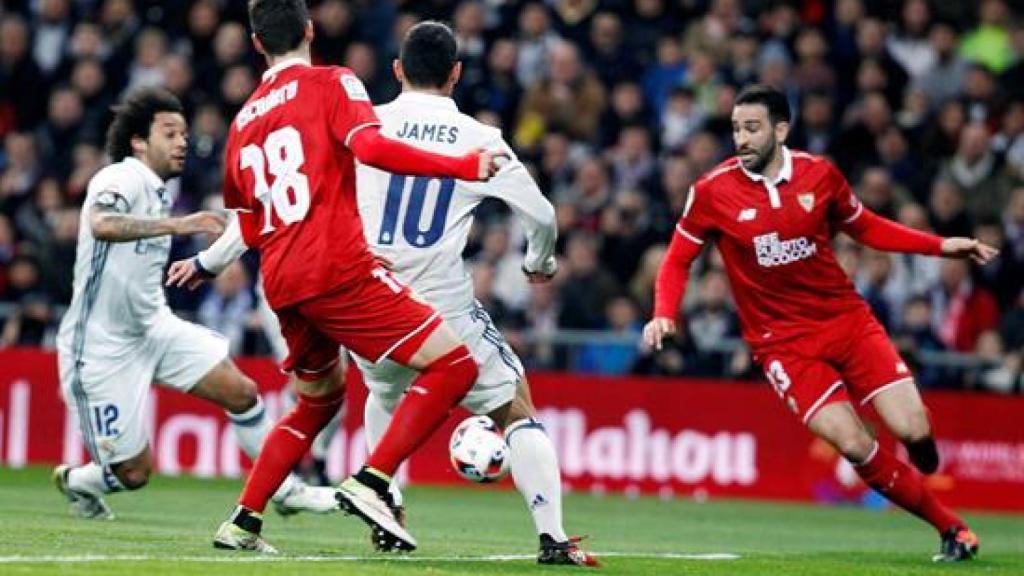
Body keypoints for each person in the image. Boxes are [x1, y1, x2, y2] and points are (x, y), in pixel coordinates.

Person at [173, 20, 598, 566]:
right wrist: (539, 261)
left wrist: (210, 261)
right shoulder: (478, 137)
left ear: (397, 70)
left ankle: (378, 508)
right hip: (413, 295)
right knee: (513, 406)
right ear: (457, 74)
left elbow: (269, 204)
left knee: (371, 392)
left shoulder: (360, 117)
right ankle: (550, 536)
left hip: (355, 294)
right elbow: (539, 213)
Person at [642, 85, 996, 563]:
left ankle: (921, 449)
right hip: (782, 344)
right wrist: (665, 313)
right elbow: (678, 260)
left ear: (780, 129)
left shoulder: (819, 175)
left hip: (846, 320)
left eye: (752, 128)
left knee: (913, 428)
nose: (741, 139)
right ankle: (951, 528)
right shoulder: (711, 191)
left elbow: (866, 226)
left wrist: (940, 245)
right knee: (854, 443)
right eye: (735, 129)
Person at [52, 87, 337, 521]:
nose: (182, 142)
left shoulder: (160, 189)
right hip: (99, 347)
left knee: (241, 393)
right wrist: (184, 224)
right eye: (170, 133)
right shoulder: (120, 178)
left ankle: (286, 491)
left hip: (153, 329)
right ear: (138, 141)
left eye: (184, 134)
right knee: (135, 472)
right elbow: (101, 223)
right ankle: (77, 482)